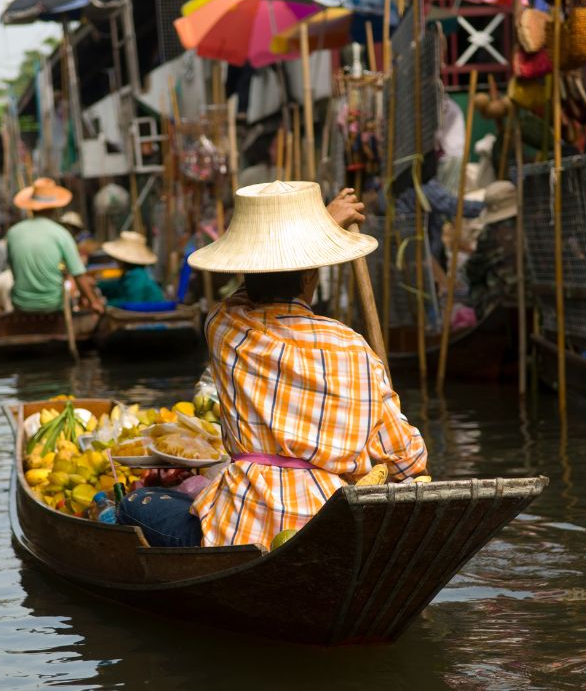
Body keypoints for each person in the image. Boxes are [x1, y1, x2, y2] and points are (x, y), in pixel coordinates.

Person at [117, 181, 429, 548]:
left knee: (134, 504)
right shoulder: (354, 347)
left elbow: (240, 299)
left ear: (246, 272)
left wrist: (324, 223)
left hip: (238, 528)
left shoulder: (226, 327)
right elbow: (407, 458)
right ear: (311, 275)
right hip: (329, 524)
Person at [6, 178, 104, 314]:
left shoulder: (13, 232)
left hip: (21, 303)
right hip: (53, 305)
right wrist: (94, 302)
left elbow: (13, 269)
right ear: (54, 207)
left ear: (31, 206)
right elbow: (78, 274)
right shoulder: (61, 233)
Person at [97, 231, 166, 306]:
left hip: (151, 313)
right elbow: (117, 287)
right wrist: (98, 285)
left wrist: (106, 303)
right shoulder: (130, 274)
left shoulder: (137, 275)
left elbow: (132, 302)